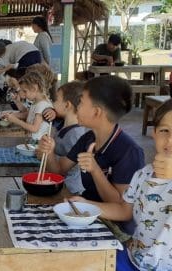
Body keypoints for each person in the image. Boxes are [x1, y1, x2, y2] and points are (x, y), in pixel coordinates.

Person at [72, 96, 172, 271]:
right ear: (155, 134)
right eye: (164, 130)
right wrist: (88, 206)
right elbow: (126, 210)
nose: (171, 139)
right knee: (87, 267)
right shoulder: (143, 174)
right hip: (135, 259)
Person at [39, 75, 145, 205]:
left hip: (111, 222)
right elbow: (60, 171)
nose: (77, 107)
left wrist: (95, 170)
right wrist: (49, 152)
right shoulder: (88, 139)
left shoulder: (129, 151)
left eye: (81, 102)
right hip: (86, 209)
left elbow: (121, 205)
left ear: (96, 112)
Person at [38, 81, 86, 194]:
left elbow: (60, 171)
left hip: (69, 190)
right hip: (59, 183)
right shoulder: (64, 124)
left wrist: (48, 152)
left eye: (56, 100)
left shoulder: (75, 135)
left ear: (67, 105)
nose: (52, 103)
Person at [2, 71, 52, 141]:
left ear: (34, 89)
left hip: (37, 143)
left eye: (25, 91)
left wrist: (16, 121)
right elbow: (28, 113)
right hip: (31, 140)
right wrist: (17, 102)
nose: (23, 94)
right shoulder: (36, 102)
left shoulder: (42, 105)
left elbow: (34, 128)